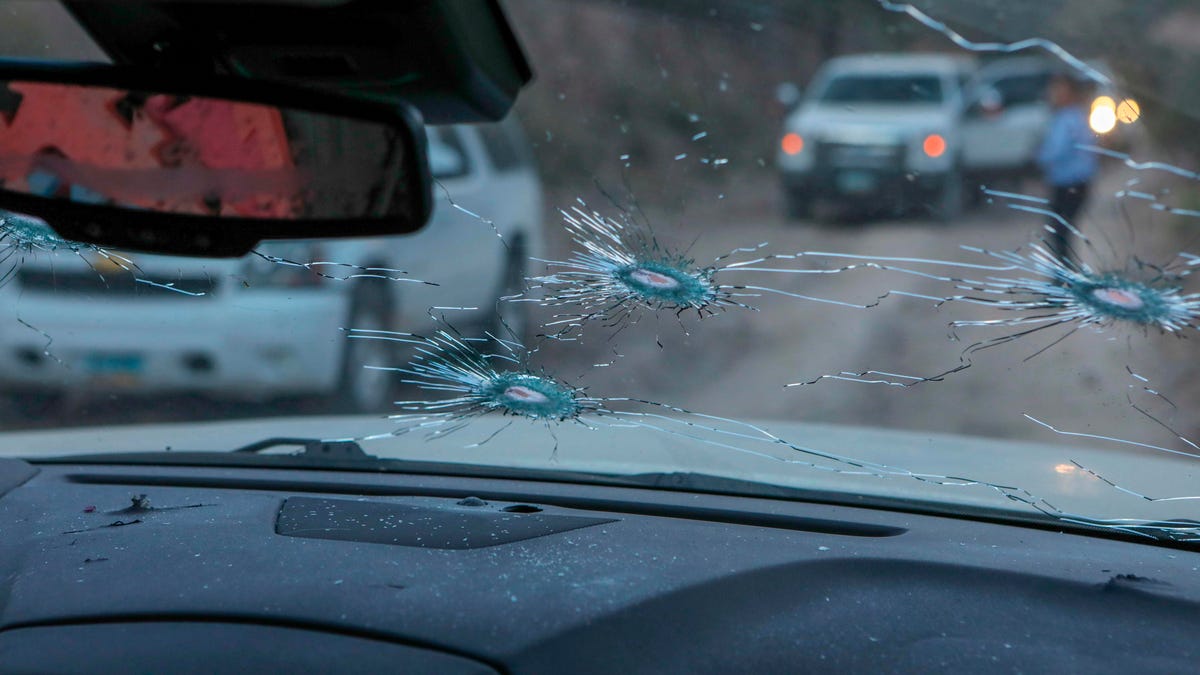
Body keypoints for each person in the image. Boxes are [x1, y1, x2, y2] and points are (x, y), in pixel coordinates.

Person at [1036, 73, 1098, 265]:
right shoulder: (1074, 116)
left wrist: (1036, 156)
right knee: (1061, 233)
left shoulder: (1068, 119)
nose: (1053, 94)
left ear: (1070, 93)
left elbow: (1056, 151)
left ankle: (1065, 279)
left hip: (1069, 185)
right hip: (1075, 183)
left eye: (1058, 90)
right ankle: (1065, 277)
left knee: (1060, 233)